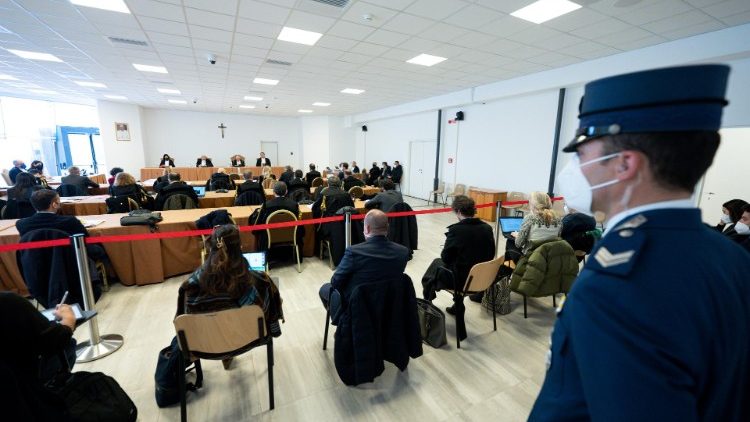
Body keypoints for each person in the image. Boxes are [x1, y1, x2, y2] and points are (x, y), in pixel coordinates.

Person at [530, 65, 750, 421]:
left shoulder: (617, 288)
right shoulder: (731, 255)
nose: (575, 168)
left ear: (624, 164)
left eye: (582, 153)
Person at [176, 225, 283, 362]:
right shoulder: (260, 281)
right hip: (250, 340)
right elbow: (269, 315)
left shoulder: (191, 286)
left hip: (204, 347)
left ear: (211, 248)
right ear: (240, 247)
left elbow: (187, 322)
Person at [421, 195, 495, 339]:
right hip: (482, 279)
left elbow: (446, 258)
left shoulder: (456, 231)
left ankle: (427, 304)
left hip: (462, 281)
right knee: (437, 266)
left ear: (459, 211)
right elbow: (490, 254)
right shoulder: (487, 228)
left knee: (434, 268)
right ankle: (454, 303)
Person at [0, 292, 78, 419]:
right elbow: (52, 339)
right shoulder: (7, 302)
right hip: (25, 394)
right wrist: (68, 321)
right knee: (69, 344)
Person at [318, 209, 409, 316]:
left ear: (367, 228)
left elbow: (335, 282)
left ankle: (343, 321)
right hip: (389, 305)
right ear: (387, 227)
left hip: (359, 307)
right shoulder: (403, 252)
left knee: (324, 289)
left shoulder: (353, 252)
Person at [17, 189, 108, 261]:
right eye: (59, 201)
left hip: (36, 260)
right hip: (70, 258)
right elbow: (85, 240)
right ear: (54, 204)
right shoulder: (69, 221)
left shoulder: (21, 224)